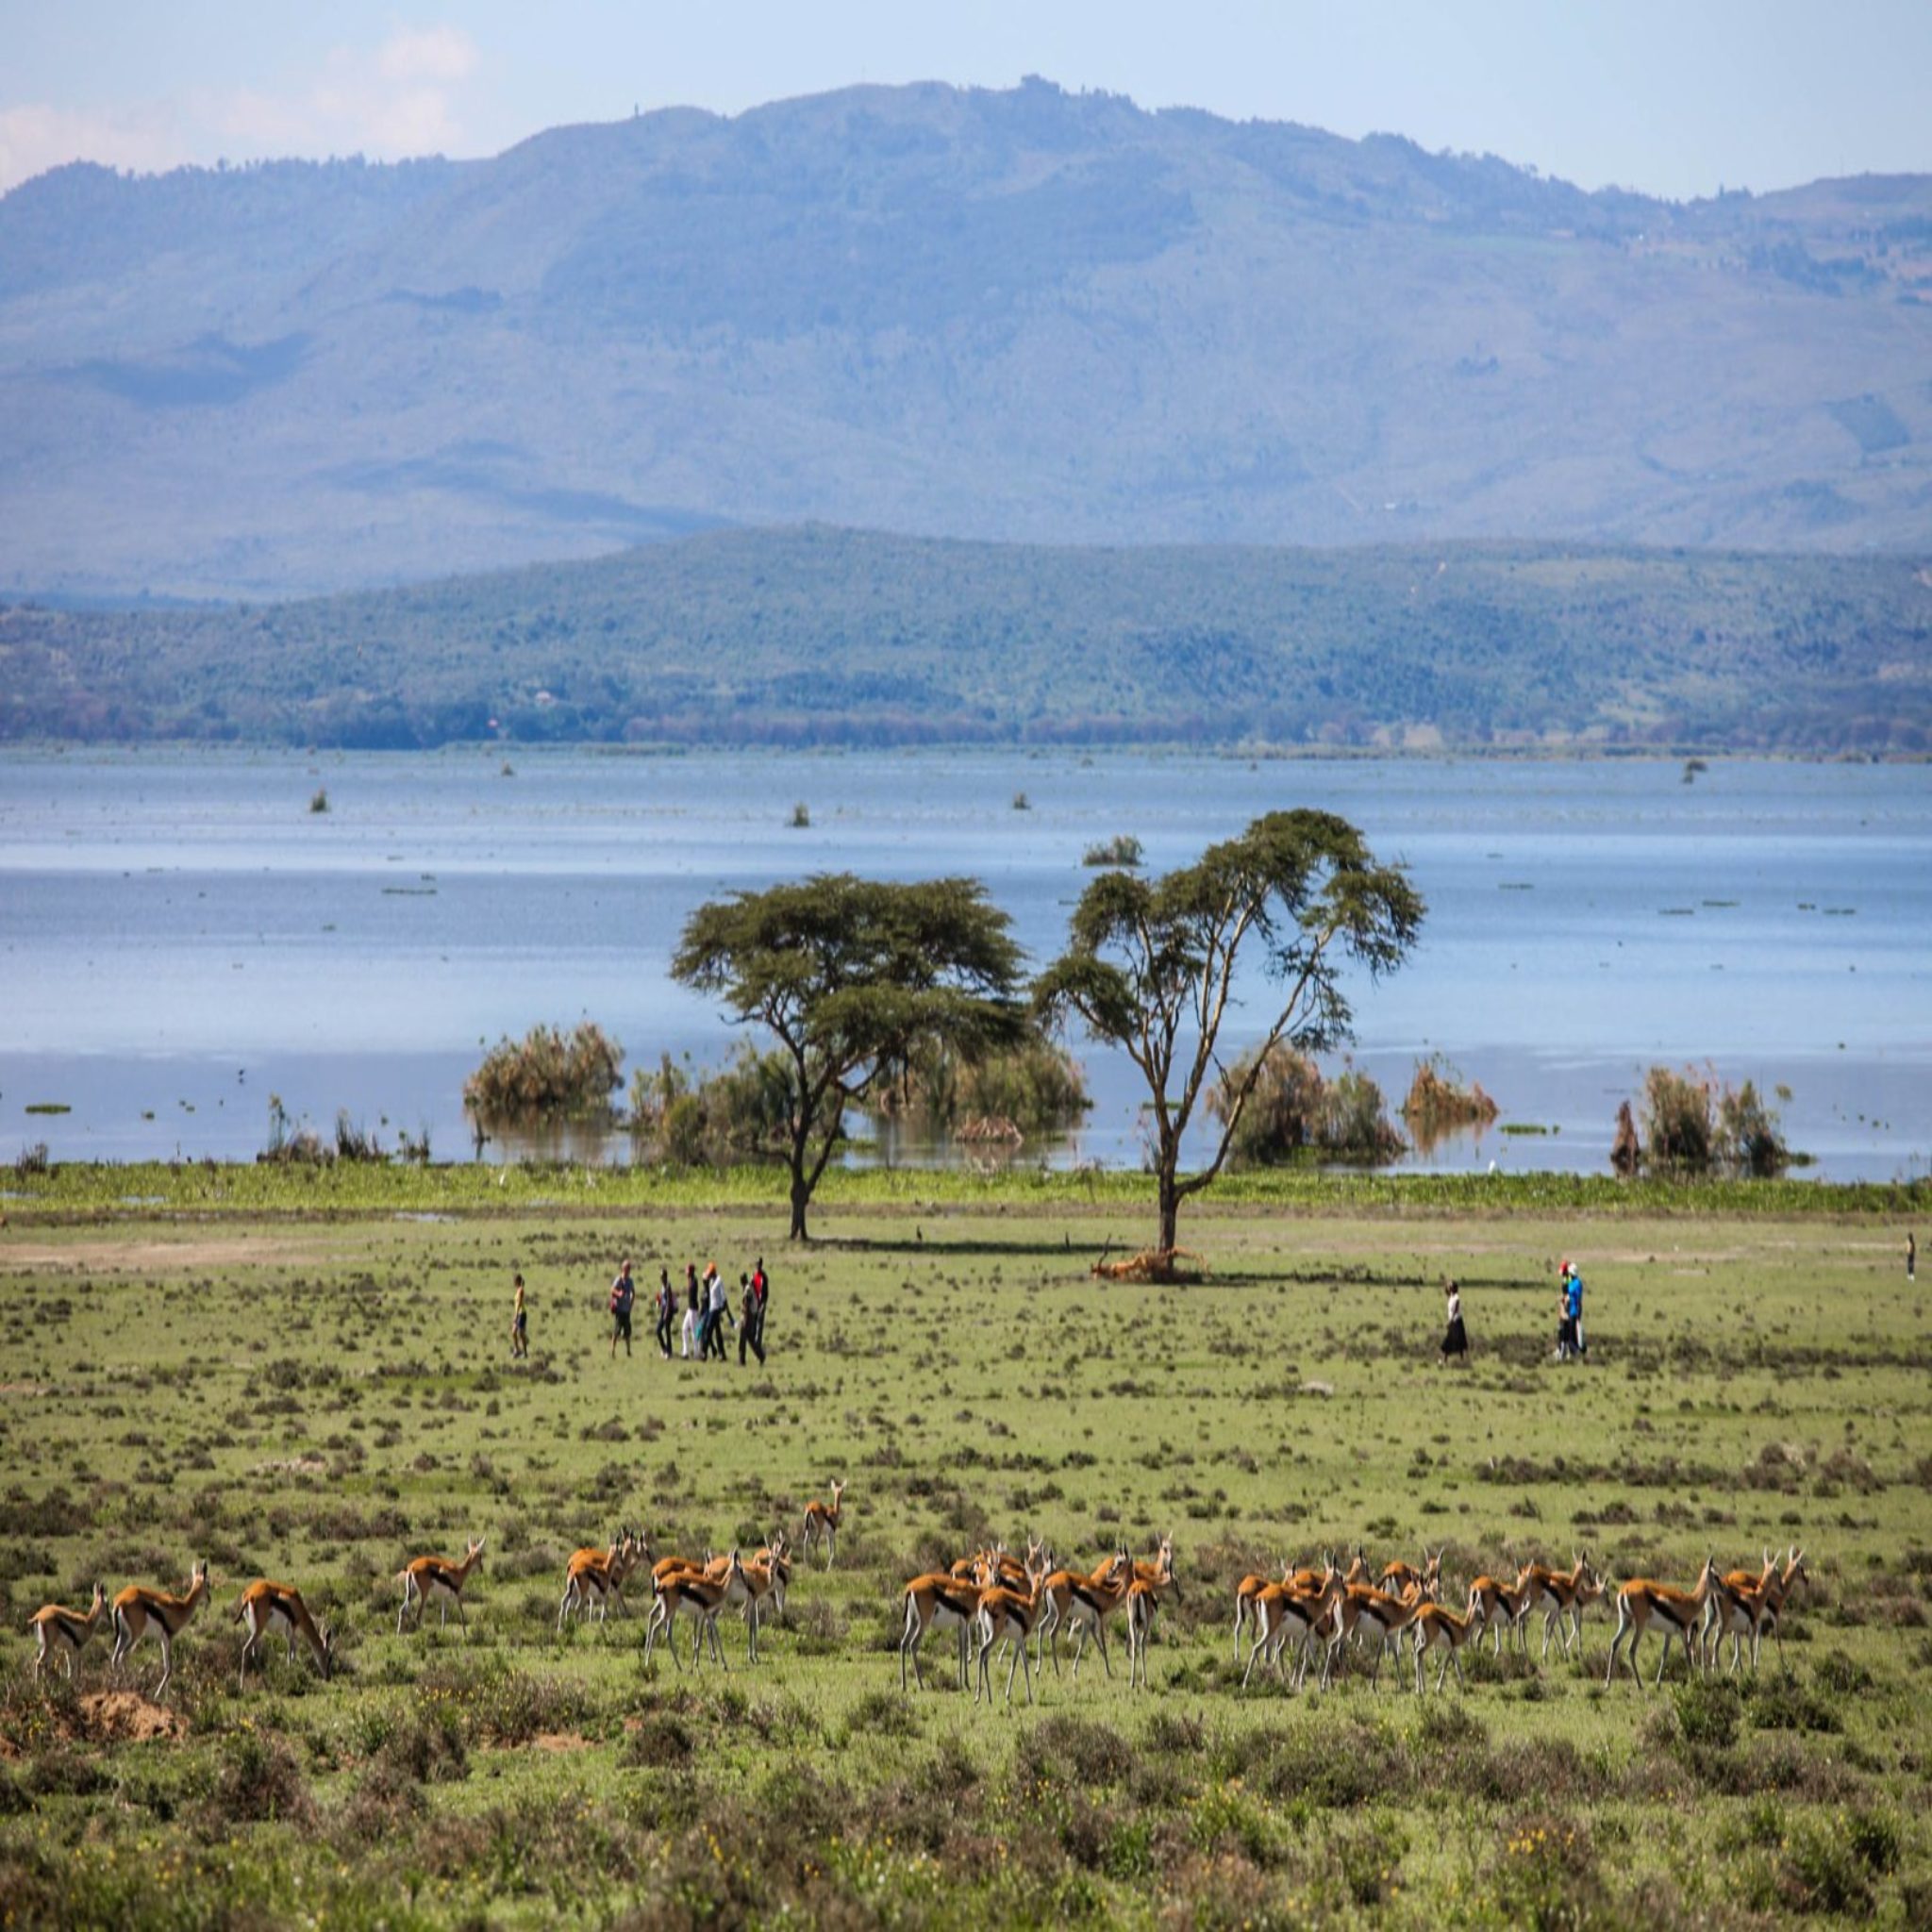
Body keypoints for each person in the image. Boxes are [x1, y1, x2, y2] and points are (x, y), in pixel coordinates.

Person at [608, 1257, 636, 1360]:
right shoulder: (619, 1279)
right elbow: (612, 1290)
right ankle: (612, 1350)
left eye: (629, 1268)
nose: (629, 1270)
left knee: (627, 1332)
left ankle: (628, 1351)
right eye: (627, 1268)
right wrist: (618, 1293)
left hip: (626, 1310)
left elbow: (633, 1292)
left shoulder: (630, 1281)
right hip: (620, 1310)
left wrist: (631, 1304)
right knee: (617, 1331)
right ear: (623, 1269)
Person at [705, 1263, 732, 1360]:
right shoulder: (711, 1281)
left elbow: (723, 1294)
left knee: (708, 1329)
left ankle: (704, 1353)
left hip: (716, 1309)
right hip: (712, 1308)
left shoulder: (719, 1281)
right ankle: (722, 1354)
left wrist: (724, 1306)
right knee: (717, 1332)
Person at [738, 1272, 764, 1366]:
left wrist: (745, 1319)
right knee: (751, 1339)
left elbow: (747, 1305)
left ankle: (741, 1360)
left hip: (748, 1317)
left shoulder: (747, 1290)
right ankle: (761, 1355)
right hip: (751, 1316)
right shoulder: (749, 1288)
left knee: (742, 1339)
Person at [1440, 1279, 1467, 1363]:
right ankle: (1446, 1359)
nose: (1449, 1287)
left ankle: (1460, 1359)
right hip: (1452, 1321)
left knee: (1458, 1340)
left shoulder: (1456, 1298)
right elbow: (1446, 1291)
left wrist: (1450, 1321)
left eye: (1450, 1286)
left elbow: (1455, 1310)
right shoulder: (1451, 1297)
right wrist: (1446, 1285)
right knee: (1450, 1340)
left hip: (1456, 1321)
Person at [751, 1256, 769, 1358]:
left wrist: (763, 1305)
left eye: (759, 1264)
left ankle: (759, 1349)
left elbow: (766, 1293)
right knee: (753, 1327)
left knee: (759, 1327)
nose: (758, 1266)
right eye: (757, 1264)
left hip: (761, 1304)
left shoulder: (764, 1277)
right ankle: (758, 1349)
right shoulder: (753, 1276)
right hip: (754, 1303)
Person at [655, 1267, 675, 1359]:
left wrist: (666, 1312)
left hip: (668, 1311)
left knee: (666, 1331)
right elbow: (664, 1299)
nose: (661, 1278)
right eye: (660, 1276)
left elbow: (669, 1300)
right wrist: (659, 1301)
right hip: (664, 1309)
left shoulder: (667, 1286)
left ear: (665, 1276)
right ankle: (665, 1349)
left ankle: (668, 1351)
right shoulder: (663, 1286)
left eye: (662, 1276)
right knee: (659, 1330)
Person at [682, 1263, 700, 1360]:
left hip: (693, 1309)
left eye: (688, 1271)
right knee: (684, 1328)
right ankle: (685, 1351)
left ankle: (696, 1352)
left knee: (694, 1331)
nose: (686, 1273)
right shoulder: (691, 1281)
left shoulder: (694, 1281)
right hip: (690, 1309)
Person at [510, 1273, 528, 1360]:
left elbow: (520, 1303)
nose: (513, 1282)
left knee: (521, 1334)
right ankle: (517, 1350)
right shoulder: (518, 1290)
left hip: (521, 1314)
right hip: (518, 1313)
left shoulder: (521, 1290)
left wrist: (516, 1315)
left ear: (517, 1281)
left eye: (514, 1281)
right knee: (514, 1332)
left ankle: (525, 1353)